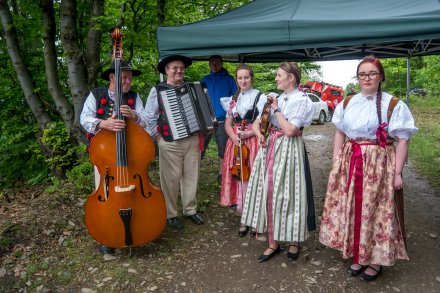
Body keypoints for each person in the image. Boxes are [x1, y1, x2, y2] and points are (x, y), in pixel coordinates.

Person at [319, 55, 417, 282]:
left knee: (376, 211)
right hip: (351, 160)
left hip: (378, 166)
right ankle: (357, 254)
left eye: (372, 73)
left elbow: (402, 139)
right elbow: (340, 132)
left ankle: (374, 260)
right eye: (362, 74)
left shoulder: (393, 104)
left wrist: (398, 173)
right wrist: (336, 162)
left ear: (380, 76)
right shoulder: (347, 102)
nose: (367, 78)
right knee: (352, 206)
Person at [241, 62, 316, 262]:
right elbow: (257, 123)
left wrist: (277, 110)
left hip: (290, 149)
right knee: (268, 192)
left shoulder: (301, 100)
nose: (276, 78)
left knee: (290, 194)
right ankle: (273, 242)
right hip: (271, 147)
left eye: (279, 75)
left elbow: (291, 130)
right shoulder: (277, 98)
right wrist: (260, 136)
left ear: (291, 78)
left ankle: (294, 240)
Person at [80, 60, 147, 255]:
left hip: (132, 155)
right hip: (104, 157)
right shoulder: (96, 94)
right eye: (124, 77)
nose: (128, 81)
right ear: (112, 77)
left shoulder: (134, 97)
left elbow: (146, 122)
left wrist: (134, 116)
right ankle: (106, 238)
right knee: (105, 195)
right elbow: (84, 118)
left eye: (129, 78)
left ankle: (139, 230)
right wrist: (104, 124)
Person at [145, 54, 204, 230]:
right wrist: (157, 137)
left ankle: (190, 210)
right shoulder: (158, 90)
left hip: (192, 139)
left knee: (191, 176)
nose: (179, 70)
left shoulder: (192, 88)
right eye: (175, 67)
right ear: (167, 70)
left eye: (181, 68)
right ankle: (171, 214)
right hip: (169, 141)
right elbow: (149, 117)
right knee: (170, 179)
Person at [219, 64, 266, 237]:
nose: (243, 81)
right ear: (237, 80)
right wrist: (233, 137)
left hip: (252, 142)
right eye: (240, 78)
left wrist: (247, 133)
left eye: (246, 77)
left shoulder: (260, 97)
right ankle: (244, 218)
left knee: (254, 179)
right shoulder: (233, 99)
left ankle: (256, 220)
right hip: (236, 144)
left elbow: (263, 123)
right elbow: (228, 123)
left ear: (251, 78)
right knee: (240, 180)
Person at [201, 55, 238, 183]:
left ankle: (222, 174)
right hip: (207, 119)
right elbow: (199, 98)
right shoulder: (205, 80)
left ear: (221, 64)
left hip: (223, 120)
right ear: (209, 65)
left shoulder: (229, 79)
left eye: (217, 63)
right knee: (199, 146)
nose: (215, 66)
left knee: (223, 147)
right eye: (212, 63)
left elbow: (236, 96)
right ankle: (193, 173)